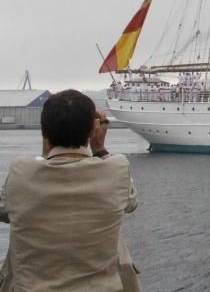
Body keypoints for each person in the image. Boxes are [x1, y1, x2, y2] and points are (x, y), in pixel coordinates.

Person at [0, 89, 140, 292]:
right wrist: (99, 149)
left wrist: (46, 151)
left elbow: (4, 210)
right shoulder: (116, 170)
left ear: (44, 132)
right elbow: (131, 203)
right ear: (93, 130)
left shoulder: (20, 172)